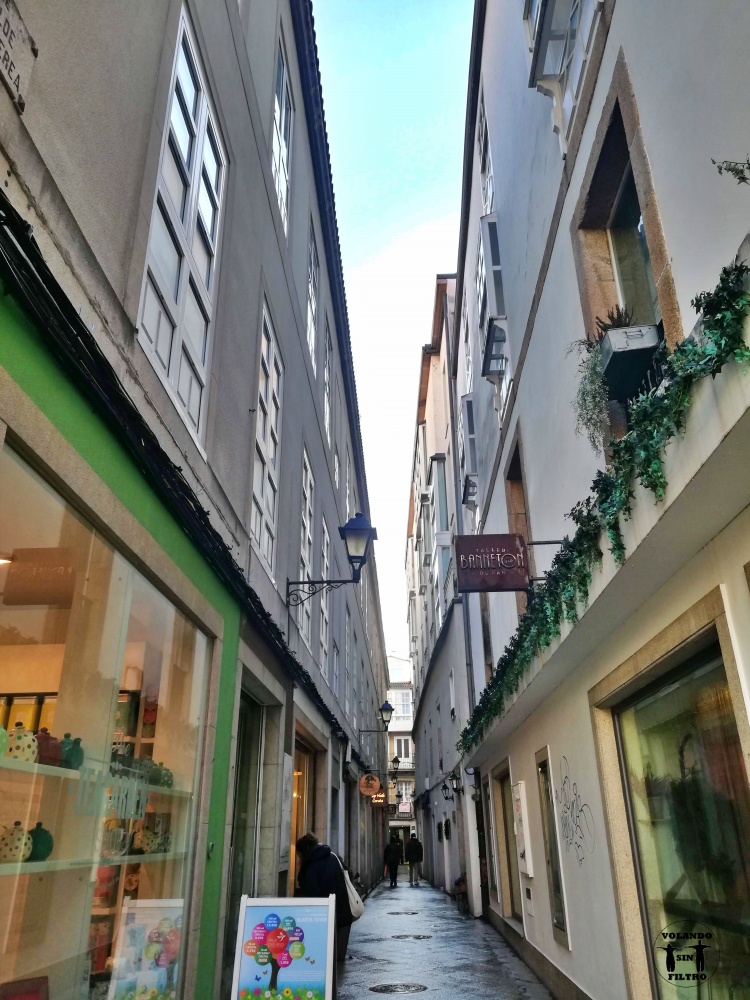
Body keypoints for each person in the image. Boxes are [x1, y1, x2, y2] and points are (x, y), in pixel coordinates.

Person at [295, 832, 354, 987]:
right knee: (337, 957)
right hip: (342, 912)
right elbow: (349, 873)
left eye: (299, 855)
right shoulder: (332, 856)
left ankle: (325, 988)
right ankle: (333, 988)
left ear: (303, 852)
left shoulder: (310, 865)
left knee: (320, 958)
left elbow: (311, 892)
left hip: (321, 917)